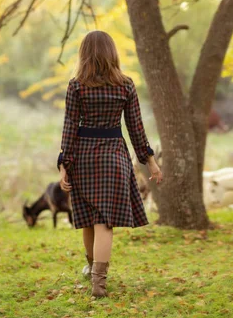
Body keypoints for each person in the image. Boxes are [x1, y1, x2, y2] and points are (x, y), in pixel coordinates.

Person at [56, 30, 163, 298]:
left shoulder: (76, 85)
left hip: (83, 157)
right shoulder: (125, 85)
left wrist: (64, 164)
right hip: (114, 157)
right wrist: (150, 161)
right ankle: (98, 283)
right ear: (112, 53)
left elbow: (70, 127)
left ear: (84, 54)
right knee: (104, 222)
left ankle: (92, 271)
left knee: (89, 219)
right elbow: (135, 128)